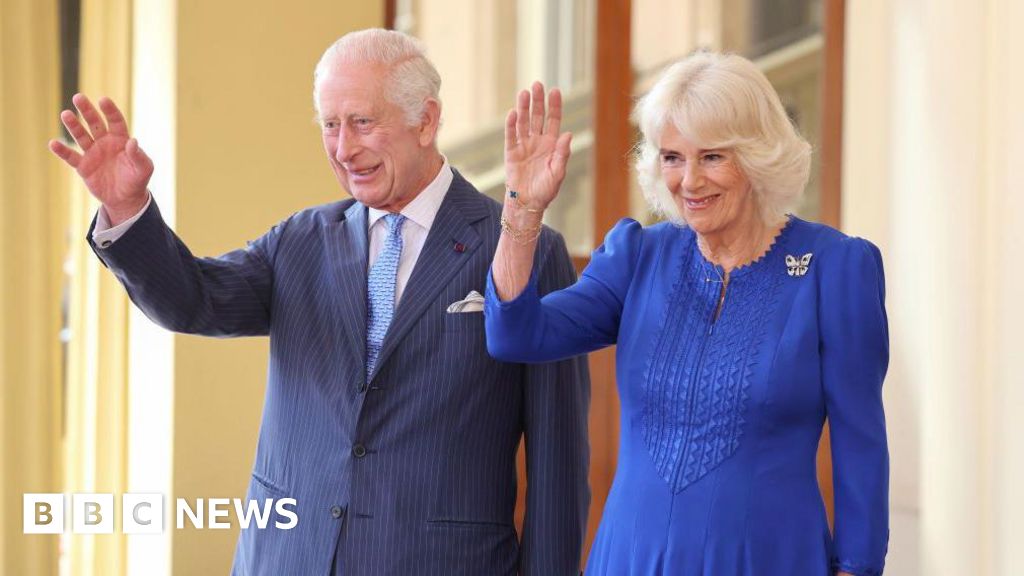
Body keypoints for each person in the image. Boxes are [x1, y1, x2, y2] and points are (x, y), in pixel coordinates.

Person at [49, 29, 590, 576]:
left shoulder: (521, 249)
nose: (343, 148)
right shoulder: (301, 240)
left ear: (425, 121)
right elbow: (194, 300)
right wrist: (128, 207)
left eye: (361, 122)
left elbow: (557, 463)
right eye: (330, 125)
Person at [486, 51, 889, 575]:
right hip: (631, 558)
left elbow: (862, 445)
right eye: (673, 157)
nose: (690, 182)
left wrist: (857, 567)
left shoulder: (833, 268)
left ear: (758, 155)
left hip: (766, 560)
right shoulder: (637, 254)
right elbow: (514, 335)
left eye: (713, 157)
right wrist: (522, 206)